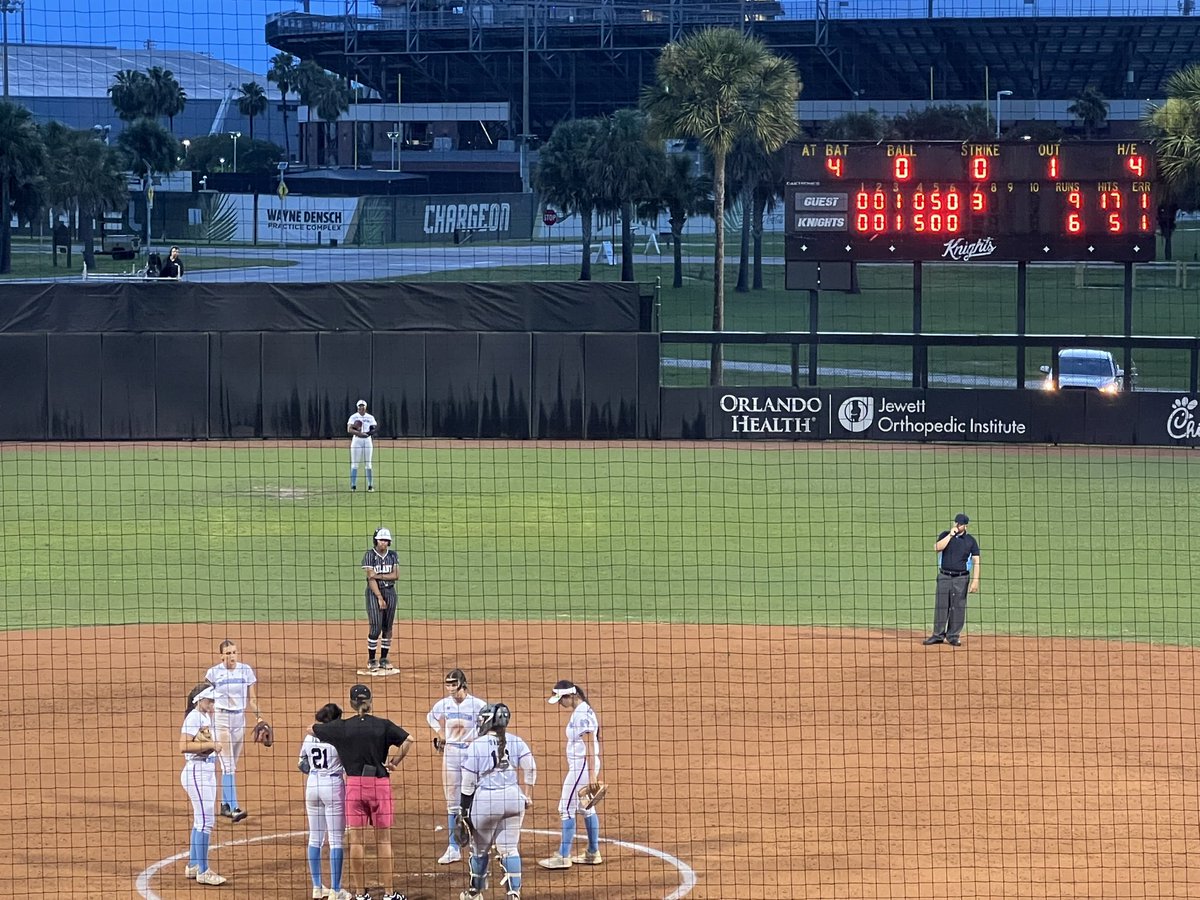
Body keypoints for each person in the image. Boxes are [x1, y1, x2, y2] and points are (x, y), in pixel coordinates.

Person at [312, 683, 414, 900]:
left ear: (351, 703)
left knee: (356, 841)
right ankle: (389, 894)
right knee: (384, 841)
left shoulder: (342, 727)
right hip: (379, 785)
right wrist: (394, 762)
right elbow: (409, 739)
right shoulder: (383, 725)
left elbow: (312, 729)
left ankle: (360, 894)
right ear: (370, 702)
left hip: (354, 787)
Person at [456, 703, 537, 900]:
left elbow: (468, 783)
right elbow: (531, 768)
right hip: (514, 799)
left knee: (479, 850)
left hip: (486, 802)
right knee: (510, 849)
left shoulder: (477, 745)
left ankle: (474, 893)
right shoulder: (516, 741)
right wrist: (528, 795)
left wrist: (463, 811)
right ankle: (514, 894)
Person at [539, 679, 604, 869]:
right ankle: (592, 852)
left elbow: (589, 744)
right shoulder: (581, 711)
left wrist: (591, 775)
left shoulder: (582, 714)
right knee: (586, 808)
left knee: (566, 808)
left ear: (572, 695)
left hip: (582, 766)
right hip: (583, 765)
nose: (560, 703)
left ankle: (563, 856)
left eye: (561, 699)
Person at [427, 668, 488, 864]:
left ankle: (478, 844)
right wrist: (441, 733)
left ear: (463, 684)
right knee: (452, 801)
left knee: (475, 797)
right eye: (448, 685)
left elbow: (488, 727)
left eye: (454, 684)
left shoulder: (478, 705)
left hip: (471, 756)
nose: (451, 689)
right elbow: (431, 717)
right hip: (451, 755)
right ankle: (453, 847)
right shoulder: (444, 704)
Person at [204, 638, 265, 822]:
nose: (232, 656)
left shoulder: (246, 670)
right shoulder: (213, 673)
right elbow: (205, 699)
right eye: (228, 653)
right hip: (221, 719)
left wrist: (260, 718)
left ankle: (224, 805)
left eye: (234, 652)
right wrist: (205, 722)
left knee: (231, 765)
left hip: (239, 720)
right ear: (221, 656)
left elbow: (252, 699)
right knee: (228, 765)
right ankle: (234, 807)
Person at [299, 703, 349, 900]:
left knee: (315, 838)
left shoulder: (309, 737)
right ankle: (336, 891)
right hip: (333, 786)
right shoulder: (339, 738)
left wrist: (317, 769)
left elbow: (302, 764)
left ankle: (317, 887)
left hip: (312, 785)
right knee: (336, 840)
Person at [179, 683, 227, 886]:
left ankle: (193, 865)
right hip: (197, 773)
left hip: (206, 771)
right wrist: (211, 745)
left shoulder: (205, 716)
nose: (213, 704)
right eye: (210, 700)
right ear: (200, 700)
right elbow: (183, 746)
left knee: (200, 821)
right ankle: (204, 871)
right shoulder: (194, 717)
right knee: (206, 822)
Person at [923, 512, 982, 647]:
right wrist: (950, 535)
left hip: (961, 578)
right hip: (944, 576)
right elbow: (937, 548)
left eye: (960, 524)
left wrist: (975, 580)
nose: (957, 525)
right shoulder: (945, 535)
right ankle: (937, 635)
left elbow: (976, 561)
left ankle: (953, 636)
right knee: (941, 606)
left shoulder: (971, 541)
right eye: (956, 523)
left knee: (958, 607)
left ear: (965, 526)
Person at [360, 528, 400, 676]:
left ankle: (383, 658)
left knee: (387, 627)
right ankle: (372, 660)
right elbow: (371, 579)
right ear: (376, 540)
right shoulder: (370, 555)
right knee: (376, 627)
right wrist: (379, 597)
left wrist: (379, 575)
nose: (383, 543)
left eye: (386, 540)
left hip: (390, 592)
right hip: (374, 593)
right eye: (381, 540)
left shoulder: (393, 555)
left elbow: (396, 575)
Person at [347, 400, 377, 491]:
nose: (361, 408)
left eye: (363, 406)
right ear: (357, 407)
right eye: (360, 406)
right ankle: (353, 486)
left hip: (367, 440)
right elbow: (349, 429)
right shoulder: (353, 417)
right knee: (355, 464)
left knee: (368, 463)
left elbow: (374, 429)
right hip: (357, 440)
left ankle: (370, 485)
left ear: (365, 407)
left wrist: (367, 434)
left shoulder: (370, 417)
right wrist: (359, 433)